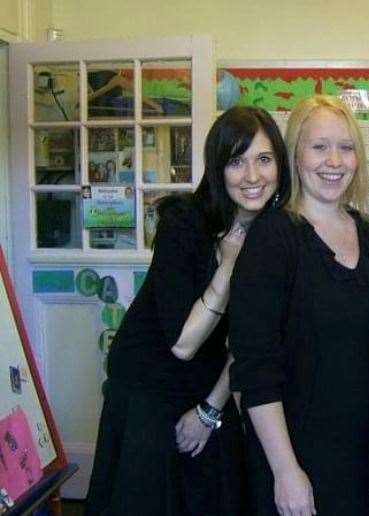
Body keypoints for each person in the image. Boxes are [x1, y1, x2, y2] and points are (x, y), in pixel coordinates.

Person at [85, 105, 289, 516]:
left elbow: (255, 342)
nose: (252, 177)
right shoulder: (185, 222)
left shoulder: (280, 235)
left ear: (280, 165)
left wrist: (210, 410)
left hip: (211, 387)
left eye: (264, 160)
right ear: (217, 168)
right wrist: (232, 266)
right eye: (237, 161)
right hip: (148, 388)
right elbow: (183, 343)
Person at [229, 95, 369, 516]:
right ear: (295, 153)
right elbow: (254, 368)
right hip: (294, 454)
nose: (334, 161)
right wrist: (285, 471)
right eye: (319, 147)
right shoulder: (273, 238)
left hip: (361, 450)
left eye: (346, 147)